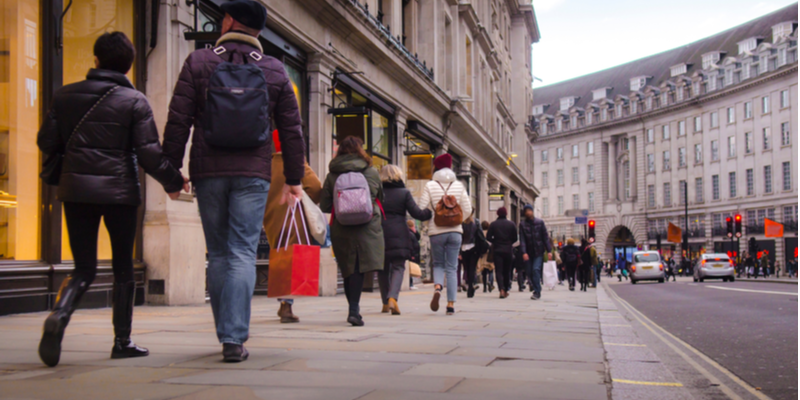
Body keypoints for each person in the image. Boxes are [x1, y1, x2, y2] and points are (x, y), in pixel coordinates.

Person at [162, 0, 306, 362]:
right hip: (252, 174)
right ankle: (234, 338)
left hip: (208, 172)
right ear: (258, 30)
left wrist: (169, 173)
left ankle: (225, 332)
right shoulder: (275, 70)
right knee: (243, 250)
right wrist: (293, 178)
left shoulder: (199, 62)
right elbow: (292, 131)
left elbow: (177, 120)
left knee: (220, 252)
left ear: (228, 22)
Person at [36, 32, 189, 367]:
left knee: (83, 268)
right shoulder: (134, 101)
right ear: (129, 65)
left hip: (76, 192)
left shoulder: (64, 96)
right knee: (123, 268)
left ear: (95, 60)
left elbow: (46, 141)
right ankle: (122, 341)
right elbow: (149, 154)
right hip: (120, 194)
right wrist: (175, 181)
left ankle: (60, 314)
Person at [319, 137, 384, 326]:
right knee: (359, 267)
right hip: (367, 224)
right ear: (360, 150)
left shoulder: (332, 174)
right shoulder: (371, 171)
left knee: (348, 268)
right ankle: (354, 310)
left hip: (341, 225)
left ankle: (353, 309)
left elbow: (325, 204)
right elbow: (379, 197)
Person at [263, 130, 322, 324]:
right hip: (293, 217)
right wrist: (303, 198)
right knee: (291, 260)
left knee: (280, 258)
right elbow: (315, 188)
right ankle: (286, 305)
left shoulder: (266, 165)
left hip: (270, 218)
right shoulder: (297, 164)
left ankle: (283, 302)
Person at [417, 154, 472, 315]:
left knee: (439, 264)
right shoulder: (459, 186)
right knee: (452, 267)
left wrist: (430, 223)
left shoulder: (430, 185)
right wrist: (458, 220)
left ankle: (438, 287)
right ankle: (450, 305)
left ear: (436, 167)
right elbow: (468, 209)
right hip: (455, 232)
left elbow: (422, 208)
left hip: (436, 232)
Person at [378, 165, 431, 315]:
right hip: (399, 233)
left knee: (382, 269)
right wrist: (430, 212)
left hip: (380, 232)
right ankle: (393, 298)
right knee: (398, 267)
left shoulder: (377, 192)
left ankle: (384, 303)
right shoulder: (404, 193)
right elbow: (417, 213)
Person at [518, 204, 551, 300]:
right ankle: (533, 284)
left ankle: (537, 291)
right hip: (528, 252)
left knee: (535, 270)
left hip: (538, 251)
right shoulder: (522, 224)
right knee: (529, 272)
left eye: (529, 210)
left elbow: (545, 237)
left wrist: (549, 250)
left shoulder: (540, 222)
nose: (528, 212)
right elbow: (522, 239)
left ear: (532, 211)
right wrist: (524, 252)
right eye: (526, 211)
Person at [487, 207, 518, 299]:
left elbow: (488, 237)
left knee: (499, 271)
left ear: (497, 214)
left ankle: (501, 289)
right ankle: (506, 288)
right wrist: (509, 242)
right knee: (507, 271)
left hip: (497, 250)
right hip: (508, 250)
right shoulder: (511, 224)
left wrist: (495, 241)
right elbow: (515, 238)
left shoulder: (493, 224)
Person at [478, 221, 495, 293]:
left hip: (483, 254)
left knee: (484, 271)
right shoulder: (490, 233)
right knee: (491, 269)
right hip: (490, 253)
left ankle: (484, 287)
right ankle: (490, 282)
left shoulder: (480, 233)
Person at [407, 220, 421, 290]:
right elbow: (411, 245)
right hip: (412, 254)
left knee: (411, 269)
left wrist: (415, 231)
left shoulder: (412, 233)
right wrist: (412, 254)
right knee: (410, 269)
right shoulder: (409, 234)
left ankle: (411, 284)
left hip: (414, 254)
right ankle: (410, 284)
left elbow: (418, 237)